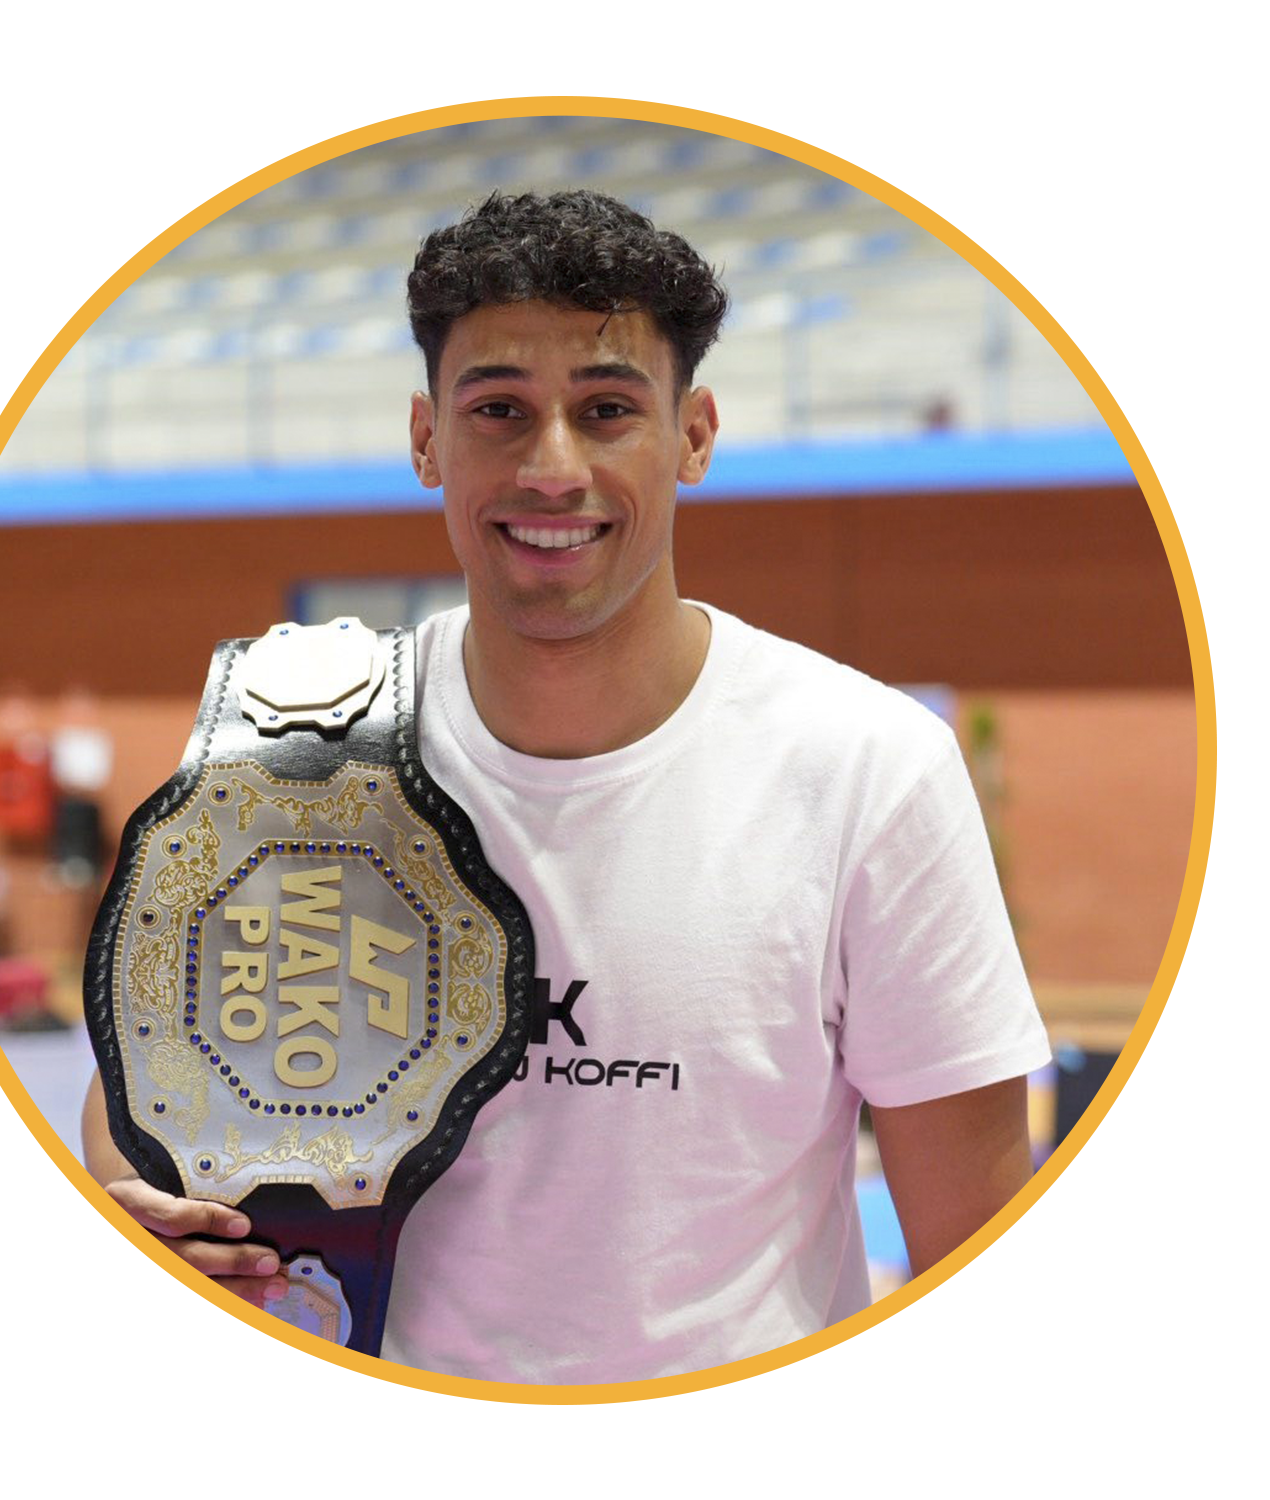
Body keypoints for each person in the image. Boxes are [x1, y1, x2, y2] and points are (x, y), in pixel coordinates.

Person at [83, 189, 1051, 1383]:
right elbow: (137, 1106)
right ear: (427, 439)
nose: (552, 468)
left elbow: (976, 1262)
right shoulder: (295, 751)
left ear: (693, 435)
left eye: (606, 410)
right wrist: (146, 1217)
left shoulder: (868, 769)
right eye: (498, 409)